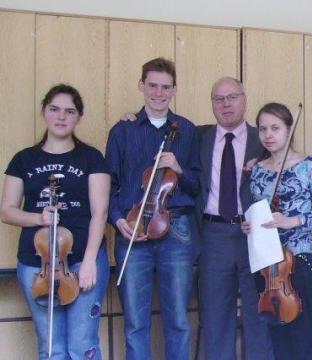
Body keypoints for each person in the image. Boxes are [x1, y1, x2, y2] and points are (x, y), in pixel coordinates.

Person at [0, 84, 110, 359]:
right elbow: (7, 210)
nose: (61, 117)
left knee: (82, 345)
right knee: (51, 347)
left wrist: (88, 263)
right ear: (44, 112)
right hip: (38, 263)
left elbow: (100, 213)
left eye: (70, 111)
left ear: (78, 117)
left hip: (84, 258)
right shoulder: (23, 159)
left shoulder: (91, 158)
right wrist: (38, 217)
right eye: (55, 109)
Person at [105, 57, 200, 360]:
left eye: (166, 87)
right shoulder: (122, 131)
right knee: (135, 323)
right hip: (132, 229)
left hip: (178, 231)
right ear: (141, 85)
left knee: (178, 321)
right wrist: (118, 220)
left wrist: (179, 169)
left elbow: (198, 186)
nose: (159, 93)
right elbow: (109, 184)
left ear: (174, 90)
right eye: (153, 86)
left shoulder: (186, 129)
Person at [241, 102, 312, 360]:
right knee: (277, 337)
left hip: (298, 259)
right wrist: (249, 224)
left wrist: (294, 221)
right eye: (262, 129)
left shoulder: (308, 165)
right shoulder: (258, 170)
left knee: (305, 336)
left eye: (275, 128)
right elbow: (258, 211)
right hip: (267, 264)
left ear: (289, 130)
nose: (268, 135)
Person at [197, 77, 274, 360]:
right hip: (213, 235)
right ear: (212, 105)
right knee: (216, 317)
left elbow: (287, 170)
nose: (225, 104)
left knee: (259, 314)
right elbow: (161, 129)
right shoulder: (198, 137)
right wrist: (131, 118)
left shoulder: (264, 139)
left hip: (254, 234)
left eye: (232, 97)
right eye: (218, 99)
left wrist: (266, 165)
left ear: (244, 99)